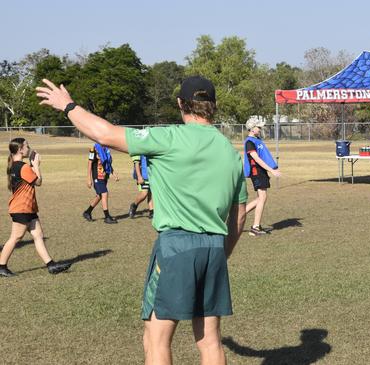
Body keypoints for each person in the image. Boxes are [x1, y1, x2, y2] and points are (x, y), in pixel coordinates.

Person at [37, 76, 247, 365]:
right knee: (210, 341)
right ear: (212, 106)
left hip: (176, 247)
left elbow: (105, 134)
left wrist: (68, 106)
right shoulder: (229, 152)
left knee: (155, 338)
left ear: (180, 104)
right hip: (213, 248)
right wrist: (221, 253)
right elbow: (240, 214)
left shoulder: (169, 137)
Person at [0, 138, 71, 277]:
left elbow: (28, 178)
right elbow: (38, 181)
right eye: (27, 146)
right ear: (20, 149)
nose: (29, 148)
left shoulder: (15, 166)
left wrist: (32, 165)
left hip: (27, 207)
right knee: (16, 237)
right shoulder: (23, 167)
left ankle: (51, 265)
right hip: (22, 207)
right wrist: (37, 165)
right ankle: (1, 266)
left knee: (38, 235)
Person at [243, 118, 281, 236]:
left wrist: (270, 169)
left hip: (262, 172)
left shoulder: (257, 140)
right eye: (258, 127)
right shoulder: (250, 142)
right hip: (256, 172)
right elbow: (257, 159)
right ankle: (255, 227)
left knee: (261, 198)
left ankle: (239, 215)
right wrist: (272, 170)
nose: (260, 129)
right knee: (262, 197)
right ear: (252, 128)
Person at [82, 143, 119, 224]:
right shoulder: (94, 149)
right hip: (97, 176)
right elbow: (89, 163)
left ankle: (87, 212)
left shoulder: (106, 149)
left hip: (104, 176)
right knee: (104, 193)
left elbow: (108, 163)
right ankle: (107, 217)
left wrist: (113, 173)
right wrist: (89, 178)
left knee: (99, 196)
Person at [128, 155, 154, 219]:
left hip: (152, 174)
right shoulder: (140, 149)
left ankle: (151, 211)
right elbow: (136, 163)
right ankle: (134, 205)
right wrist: (139, 176)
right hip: (144, 175)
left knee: (150, 193)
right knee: (144, 193)